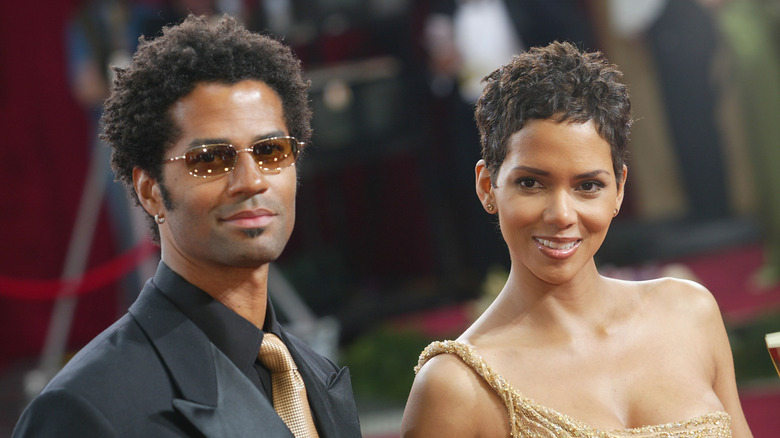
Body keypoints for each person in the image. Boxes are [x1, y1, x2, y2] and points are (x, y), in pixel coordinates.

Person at [13, 14, 361, 437]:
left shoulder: (316, 374)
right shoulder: (85, 409)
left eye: (271, 151)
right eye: (210, 159)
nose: (251, 180)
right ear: (150, 191)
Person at [400, 41, 752, 437]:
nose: (562, 215)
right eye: (531, 183)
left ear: (619, 189)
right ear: (487, 187)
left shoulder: (690, 314)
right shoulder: (456, 387)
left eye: (587, 186)